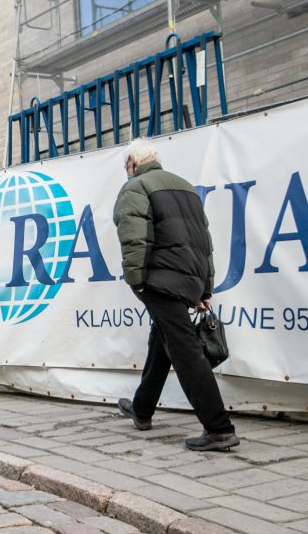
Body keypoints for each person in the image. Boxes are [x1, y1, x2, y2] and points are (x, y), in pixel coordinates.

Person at [112, 138, 239, 452]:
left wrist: (138, 282)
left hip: (160, 280)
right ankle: (142, 410)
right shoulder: (184, 187)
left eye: (126, 166)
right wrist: (204, 288)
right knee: (163, 338)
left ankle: (219, 427)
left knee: (184, 349)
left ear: (132, 163)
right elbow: (202, 242)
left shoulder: (136, 187)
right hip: (188, 278)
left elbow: (134, 239)